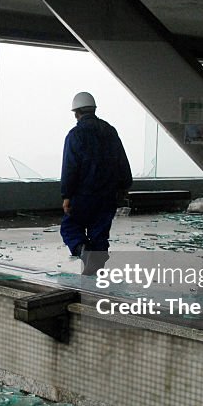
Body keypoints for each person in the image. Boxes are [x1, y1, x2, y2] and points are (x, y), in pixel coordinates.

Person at [60, 92, 132, 275]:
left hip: (83, 195)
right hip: (108, 195)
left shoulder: (75, 135)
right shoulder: (110, 131)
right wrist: (124, 186)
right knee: (99, 232)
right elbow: (122, 160)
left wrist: (66, 195)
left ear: (76, 112)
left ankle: (83, 251)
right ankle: (96, 271)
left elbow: (70, 167)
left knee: (70, 227)